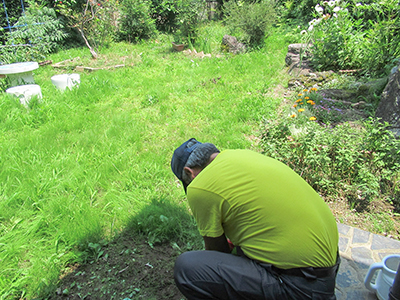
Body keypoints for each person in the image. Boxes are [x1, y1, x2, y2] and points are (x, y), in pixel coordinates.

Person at [170, 138, 340, 300]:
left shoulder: (199, 187)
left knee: (188, 268)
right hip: (328, 267)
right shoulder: (240, 155)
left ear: (189, 173)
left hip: (301, 287)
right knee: (243, 249)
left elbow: (217, 252)